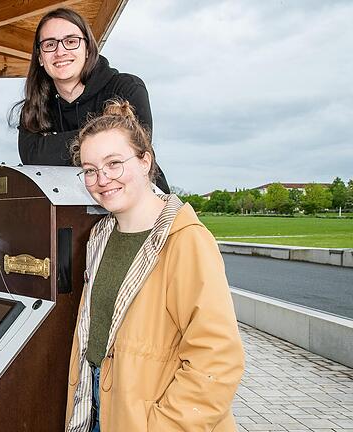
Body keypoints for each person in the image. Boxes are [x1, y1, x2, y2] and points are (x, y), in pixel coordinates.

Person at [64, 100, 244, 432]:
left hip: (149, 415)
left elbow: (217, 359)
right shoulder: (100, 236)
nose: (102, 179)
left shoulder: (186, 240)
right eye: (90, 170)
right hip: (93, 401)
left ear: (145, 161)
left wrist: (164, 424)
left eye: (114, 163)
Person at [14, 8, 170, 193]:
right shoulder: (34, 107)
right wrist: (102, 135)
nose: (60, 51)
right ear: (40, 57)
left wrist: (52, 145)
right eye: (49, 45)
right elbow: (33, 156)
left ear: (88, 49)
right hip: (75, 209)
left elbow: (128, 151)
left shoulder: (126, 88)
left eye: (71, 41)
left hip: (141, 204)